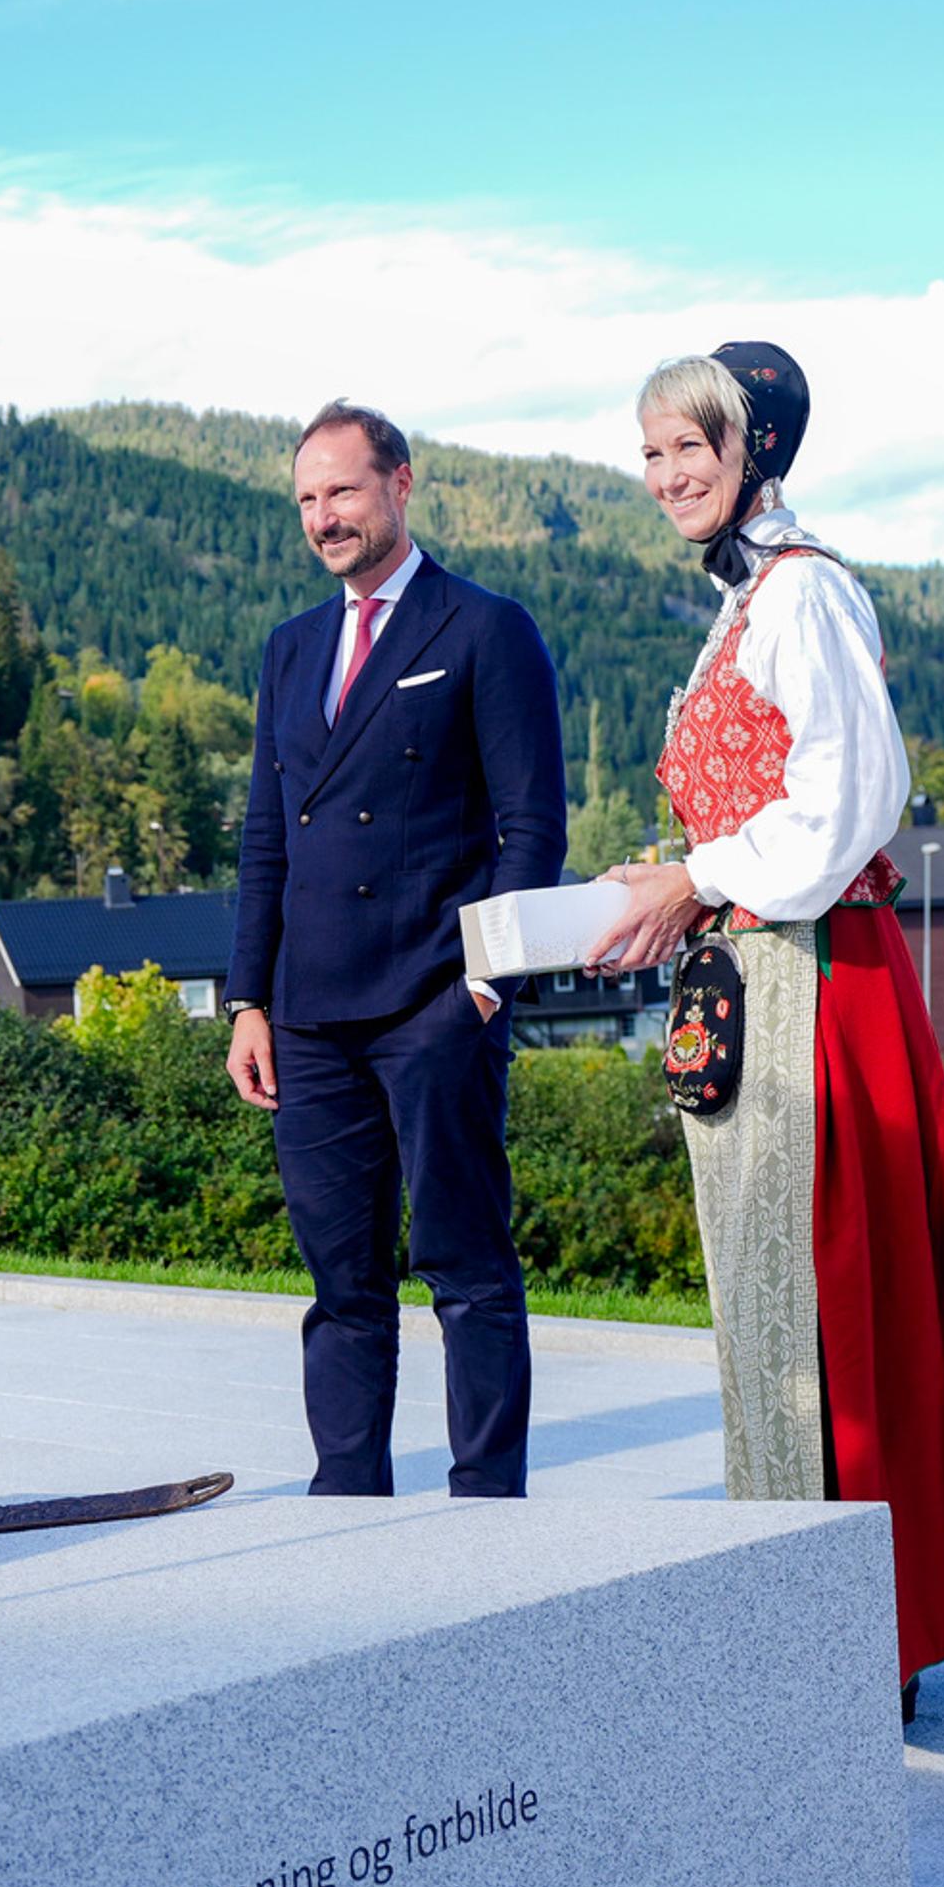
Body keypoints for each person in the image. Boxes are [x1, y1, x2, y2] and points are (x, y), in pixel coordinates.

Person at [585, 343, 944, 1707]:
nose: (666, 474)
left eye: (690, 446)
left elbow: (853, 796)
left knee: (827, 1291)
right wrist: (675, 879)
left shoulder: (804, 592)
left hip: (822, 984)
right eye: (651, 451)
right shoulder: (746, 604)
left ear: (755, 449)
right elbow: (765, 813)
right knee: (771, 1292)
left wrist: (700, 875)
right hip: (759, 976)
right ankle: (805, 1609)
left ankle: (858, 1629)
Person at [224, 403, 569, 1496]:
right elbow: (267, 836)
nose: (324, 517)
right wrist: (247, 1000)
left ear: (401, 484)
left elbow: (532, 829)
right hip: (308, 1013)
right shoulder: (290, 648)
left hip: (435, 1000)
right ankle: (344, 1499)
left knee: (465, 1266)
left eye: (343, 491)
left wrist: (486, 984)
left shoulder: (484, 628)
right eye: (307, 499)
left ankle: (486, 1500)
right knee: (341, 1282)